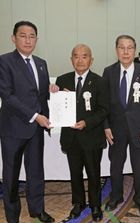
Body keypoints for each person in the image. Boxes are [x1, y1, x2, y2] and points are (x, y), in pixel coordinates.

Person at [0, 21, 54, 223]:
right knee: (11, 176)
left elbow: (40, 95)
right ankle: (13, 216)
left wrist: (54, 96)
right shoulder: (4, 61)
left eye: (32, 36)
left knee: (35, 172)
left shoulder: (41, 63)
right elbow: (7, 95)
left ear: (36, 40)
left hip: (36, 130)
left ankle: (37, 210)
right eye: (23, 35)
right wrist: (35, 116)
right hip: (13, 129)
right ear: (13, 38)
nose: (28, 40)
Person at [103, 35, 140, 215]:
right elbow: (103, 104)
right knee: (116, 165)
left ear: (135, 50)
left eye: (129, 48)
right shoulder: (108, 72)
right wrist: (106, 126)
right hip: (116, 129)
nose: (125, 52)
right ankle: (116, 195)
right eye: (121, 48)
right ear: (116, 50)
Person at [54, 44, 109, 221]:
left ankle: (95, 205)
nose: (80, 60)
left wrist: (86, 122)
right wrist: (52, 93)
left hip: (91, 137)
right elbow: (56, 106)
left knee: (94, 175)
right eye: (76, 56)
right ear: (71, 60)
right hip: (71, 139)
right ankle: (78, 203)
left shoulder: (100, 81)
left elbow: (104, 109)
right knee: (75, 173)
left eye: (84, 56)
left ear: (91, 60)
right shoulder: (62, 80)